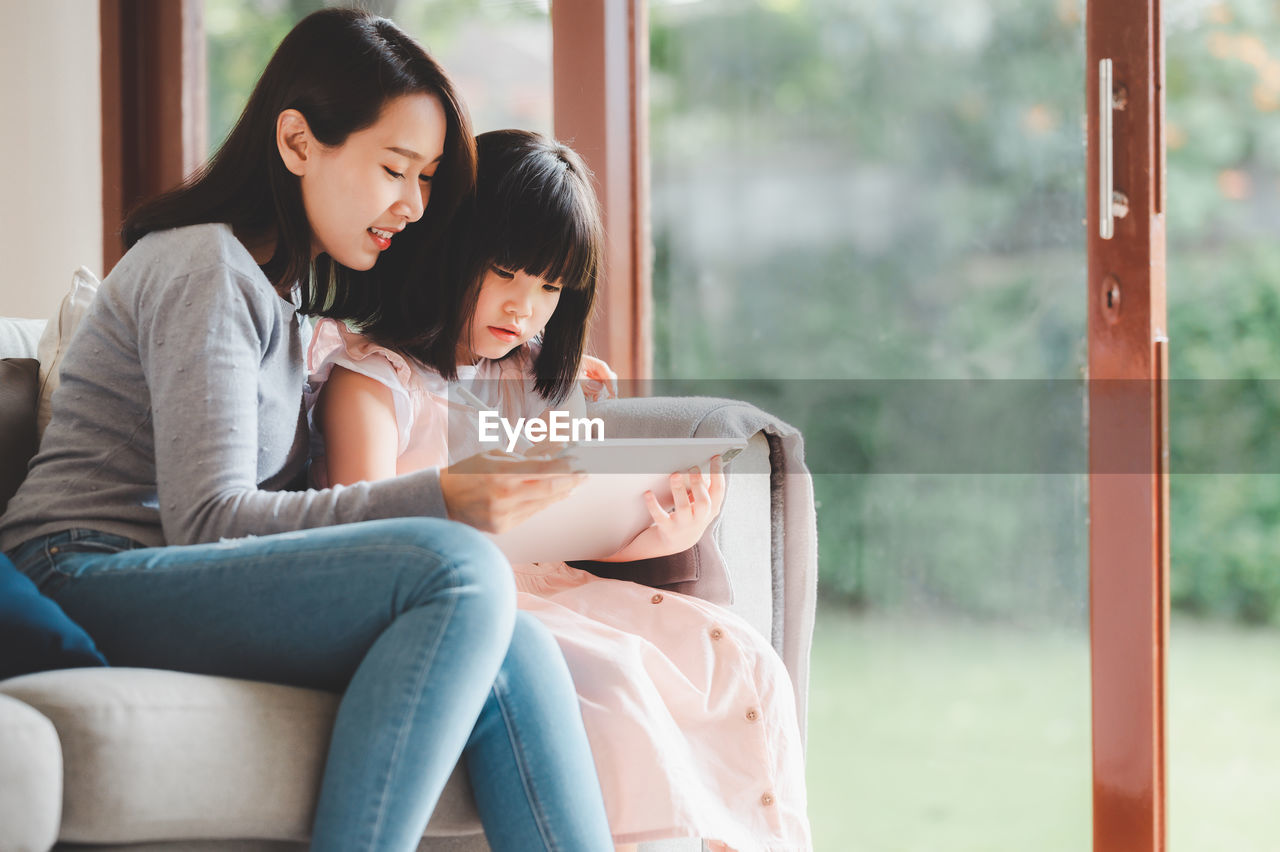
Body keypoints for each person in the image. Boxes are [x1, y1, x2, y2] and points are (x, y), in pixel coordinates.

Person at [0, 10, 614, 851]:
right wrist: (444, 498)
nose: (414, 204)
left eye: (428, 178)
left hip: (167, 578)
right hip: (82, 568)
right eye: (396, 169)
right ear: (296, 142)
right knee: (462, 569)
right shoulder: (202, 266)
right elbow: (208, 523)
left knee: (521, 646)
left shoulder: (285, 306)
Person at [308, 129, 812, 852]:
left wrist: (654, 537)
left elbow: (572, 520)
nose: (526, 307)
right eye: (508, 272)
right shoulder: (374, 381)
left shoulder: (531, 376)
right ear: (449, 246)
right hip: (457, 600)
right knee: (618, 678)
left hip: (559, 589)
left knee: (737, 656)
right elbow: (368, 538)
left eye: (550, 287)